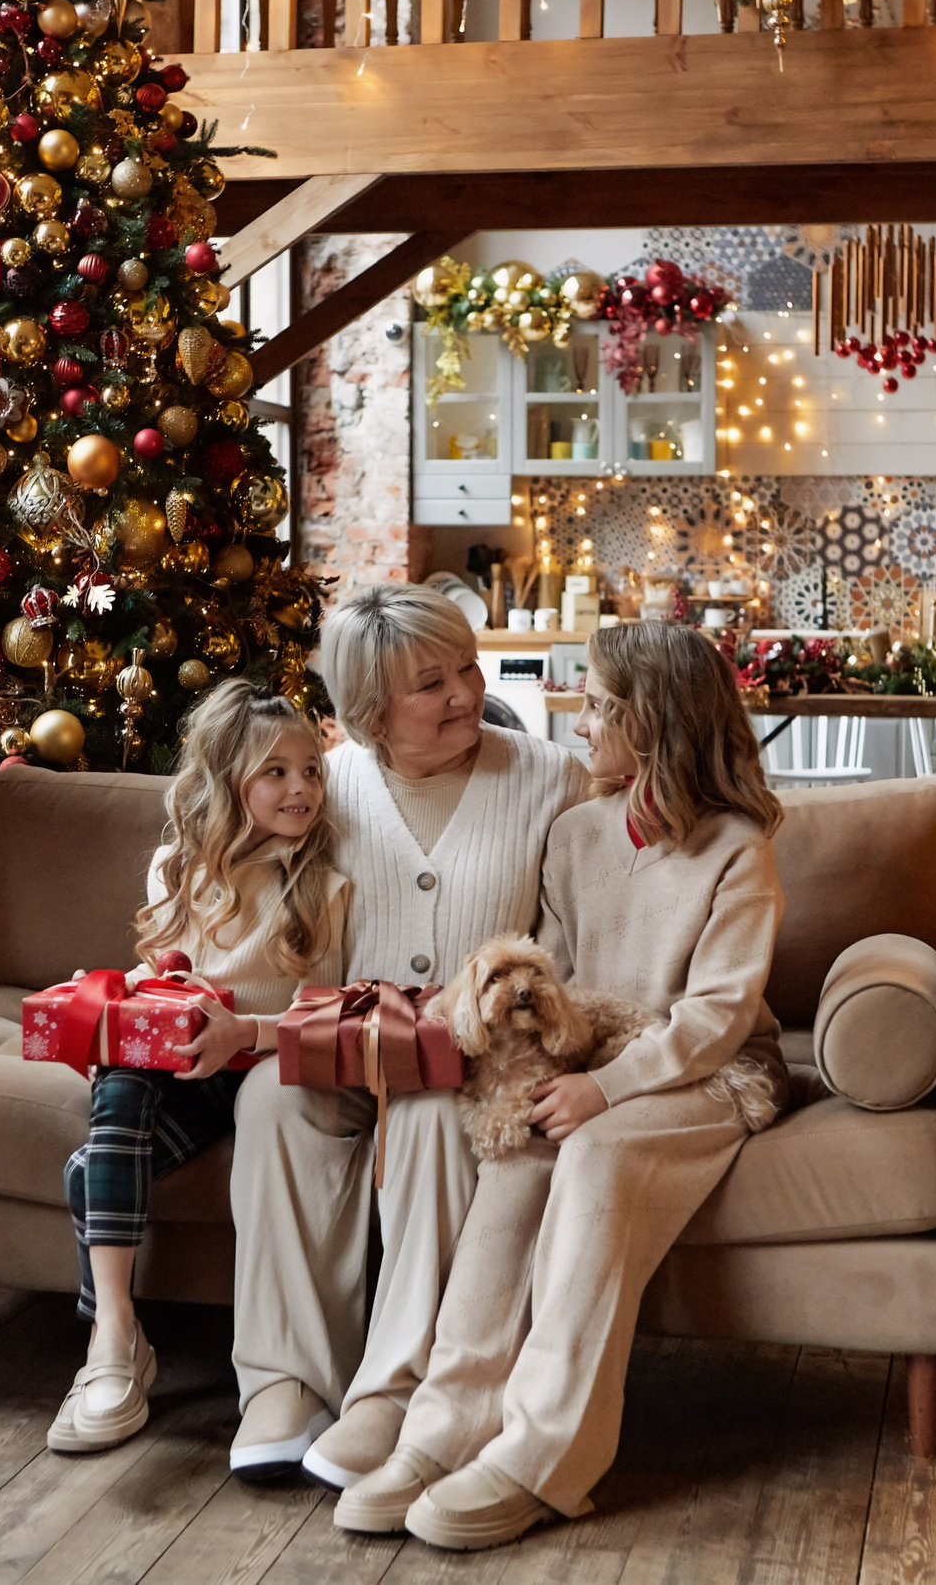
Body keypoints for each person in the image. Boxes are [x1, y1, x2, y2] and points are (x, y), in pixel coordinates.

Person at [338, 620, 789, 1549]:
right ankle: (442, 1429)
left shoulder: (739, 848)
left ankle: (542, 1455)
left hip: (711, 1073)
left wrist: (610, 1089)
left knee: (593, 1154)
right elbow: (560, 978)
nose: (578, 725)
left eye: (595, 707)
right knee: (515, 1156)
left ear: (648, 724)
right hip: (593, 1063)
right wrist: (557, 1072)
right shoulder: (578, 831)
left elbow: (716, 1017)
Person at [225, 584, 586, 1487]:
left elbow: (573, 943)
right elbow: (234, 888)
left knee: (429, 1112)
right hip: (344, 1040)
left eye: (466, 666)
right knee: (272, 1100)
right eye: (432, 683)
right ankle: (287, 1381)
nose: (466, 691)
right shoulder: (321, 785)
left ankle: (399, 1389)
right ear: (369, 710)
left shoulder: (550, 776)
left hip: (475, 1056)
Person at [48, 682, 351, 1452]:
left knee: (92, 1167)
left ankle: (115, 1349)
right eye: (275, 772)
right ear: (225, 779)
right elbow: (164, 971)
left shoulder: (326, 882)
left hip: (257, 1067)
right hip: (178, 1064)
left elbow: (337, 1010)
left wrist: (241, 1030)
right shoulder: (177, 865)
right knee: (119, 1081)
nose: (301, 788)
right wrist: (156, 1005)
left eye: (311, 769)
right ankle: (114, 1333)